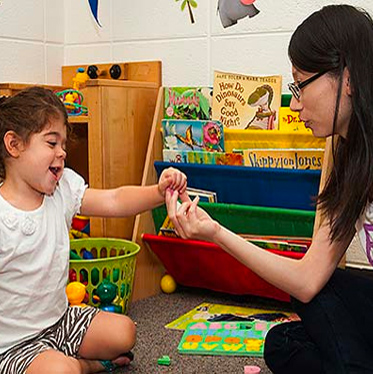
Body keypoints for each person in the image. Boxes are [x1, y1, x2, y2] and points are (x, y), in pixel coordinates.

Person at [166, 4, 373, 373]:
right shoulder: (346, 151)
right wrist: (214, 231)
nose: (295, 104)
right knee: (283, 340)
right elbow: (307, 281)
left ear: (348, 77)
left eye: (300, 84)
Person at [0, 86, 187, 374]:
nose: (62, 153)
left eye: (63, 144)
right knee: (63, 372)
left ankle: (66, 359)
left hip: (59, 321)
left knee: (124, 333)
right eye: (51, 143)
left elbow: (114, 200)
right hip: (13, 346)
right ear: (14, 145)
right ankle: (83, 366)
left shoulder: (62, 189)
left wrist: (158, 191)